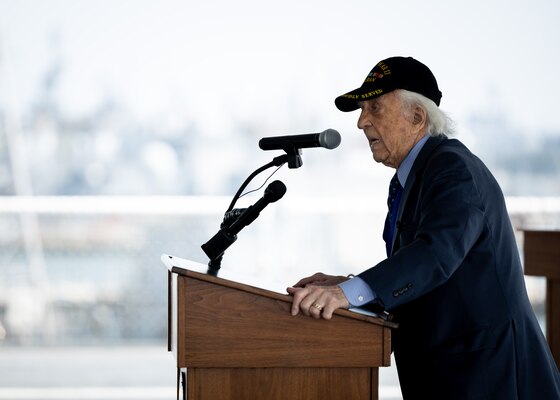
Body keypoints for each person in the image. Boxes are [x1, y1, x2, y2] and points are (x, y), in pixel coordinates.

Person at [287, 56, 560, 399]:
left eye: (374, 108)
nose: (361, 122)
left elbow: (435, 254)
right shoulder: (413, 176)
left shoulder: (452, 168)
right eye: (361, 110)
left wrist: (348, 293)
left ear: (416, 117)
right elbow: (423, 279)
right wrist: (351, 286)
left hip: (492, 378)